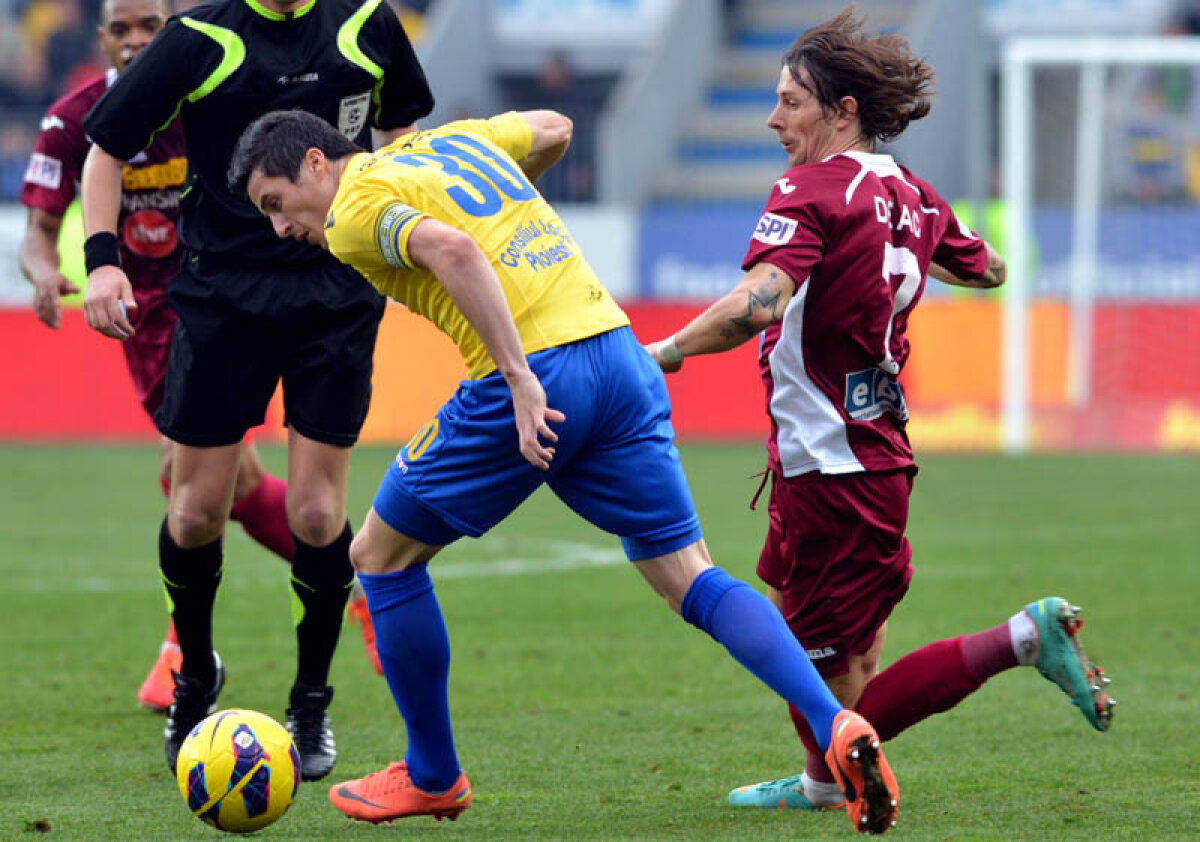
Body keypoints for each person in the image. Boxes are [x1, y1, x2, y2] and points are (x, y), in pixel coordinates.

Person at [227, 107, 901, 836]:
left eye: (276, 203)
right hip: (617, 353)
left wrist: (518, 380)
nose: (280, 226)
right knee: (691, 575)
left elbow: (454, 250)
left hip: (537, 375)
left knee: (378, 559)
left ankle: (432, 776)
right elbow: (554, 128)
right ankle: (836, 725)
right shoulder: (450, 143)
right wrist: (507, 214)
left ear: (319, 164)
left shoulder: (354, 208)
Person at [638, 10, 1115, 815]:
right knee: (836, 652)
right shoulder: (909, 191)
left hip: (832, 466)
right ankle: (827, 779)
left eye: (792, 101)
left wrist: (667, 351)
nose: (773, 118)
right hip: (867, 455)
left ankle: (1019, 640)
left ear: (843, 109)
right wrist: (911, 247)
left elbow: (759, 304)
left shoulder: (810, 189)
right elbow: (990, 266)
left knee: (815, 676)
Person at [78, 0, 433, 782]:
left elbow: (403, 132)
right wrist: (102, 259)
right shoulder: (199, 37)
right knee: (196, 509)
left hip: (335, 297)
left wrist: (396, 222)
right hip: (221, 297)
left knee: (315, 512)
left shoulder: (366, 24)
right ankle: (195, 675)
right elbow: (104, 144)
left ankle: (311, 697)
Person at [15, 0, 372, 717]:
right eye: (122, 29)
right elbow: (37, 230)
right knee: (212, 491)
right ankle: (340, 592)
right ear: (102, 37)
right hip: (145, 320)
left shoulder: (204, 91)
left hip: (221, 298)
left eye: (150, 26)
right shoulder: (74, 118)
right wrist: (48, 270)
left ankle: (192, 649)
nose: (137, 41)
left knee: (208, 487)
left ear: (171, 26)